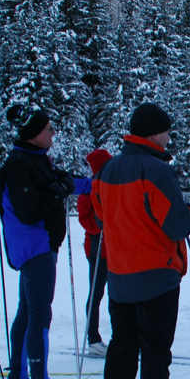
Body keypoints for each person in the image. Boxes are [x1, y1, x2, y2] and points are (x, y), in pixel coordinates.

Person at [93, 103, 190, 379]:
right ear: (154, 133)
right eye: (167, 131)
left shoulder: (108, 169)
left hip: (120, 276)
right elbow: (177, 224)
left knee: (121, 350)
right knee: (155, 354)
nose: (169, 137)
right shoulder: (156, 170)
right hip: (156, 275)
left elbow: (98, 217)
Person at [0, 105, 91, 379]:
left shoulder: (35, 159)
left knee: (27, 310)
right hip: (35, 246)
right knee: (39, 313)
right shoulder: (21, 164)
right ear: (34, 133)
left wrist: (95, 184)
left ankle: (19, 377)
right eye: (48, 128)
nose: (53, 132)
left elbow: (62, 181)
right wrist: (59, 191)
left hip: (36, 245)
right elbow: (30, 211)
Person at [77, 148, 113, 356]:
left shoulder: (110, 186)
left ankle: (120, 334)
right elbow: (85, 219)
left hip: (114, 249)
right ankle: (93, 339)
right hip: (97, 249)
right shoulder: (89, 189)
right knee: (96, 293)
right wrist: (102, 225)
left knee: (117, 294)